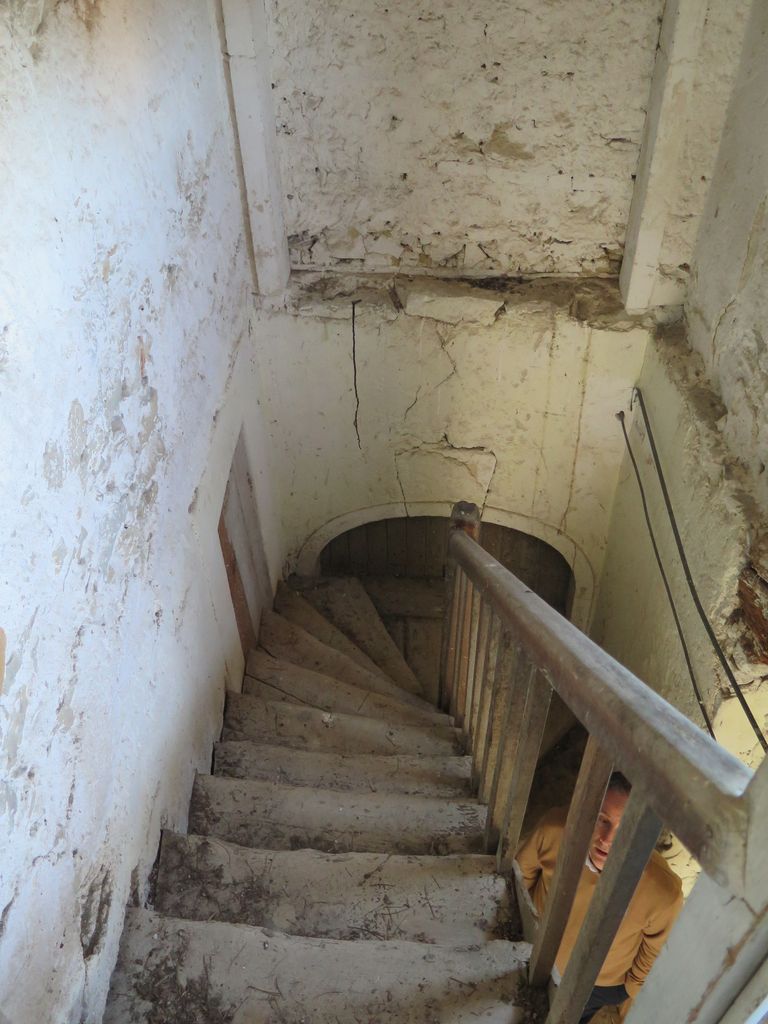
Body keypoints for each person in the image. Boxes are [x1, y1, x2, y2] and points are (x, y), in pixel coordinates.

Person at [515, 772, 683, 1023]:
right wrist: (525, 929)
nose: (606, 840)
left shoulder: (663, 891)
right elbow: (521, 877)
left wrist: (629, 989)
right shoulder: (555, 832)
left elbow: (654, 949)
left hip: (595, 985)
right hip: (535, 949)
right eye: (602, 820)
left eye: (625, 828)